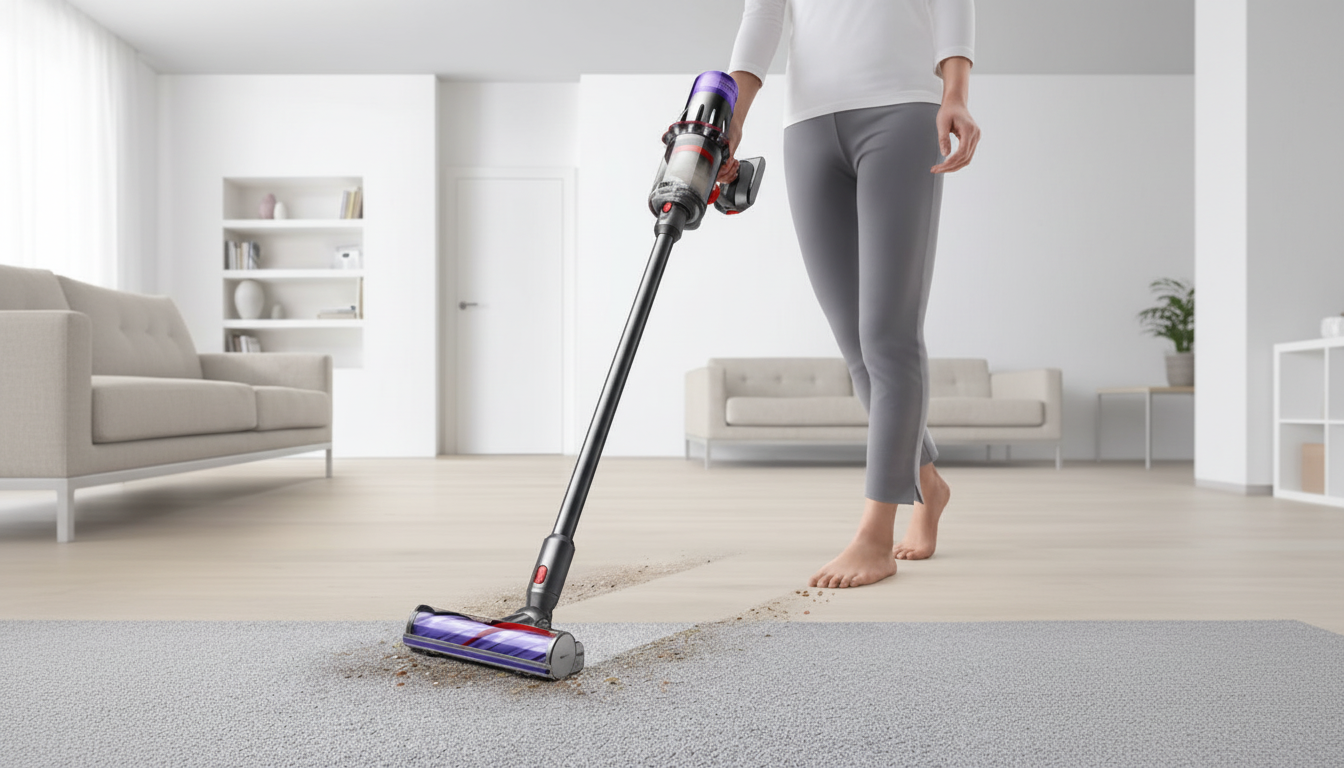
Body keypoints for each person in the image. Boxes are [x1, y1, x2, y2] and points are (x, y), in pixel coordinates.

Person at [721, 0, 980, 588]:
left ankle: (875, 535)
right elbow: (762, 16)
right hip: (808, 125)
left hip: (903, 110)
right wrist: (733, 115)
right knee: (857, 345)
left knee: (889, 338)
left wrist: (955, 91)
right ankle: (928, 484)